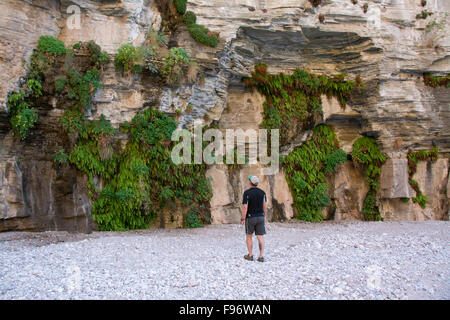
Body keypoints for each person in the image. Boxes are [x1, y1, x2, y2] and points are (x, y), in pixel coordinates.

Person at [240, 175, 267, 262]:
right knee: (260, 237)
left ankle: (250, 255)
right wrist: (264, 215)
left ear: (250, 182)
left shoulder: (247, 193)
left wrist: (242, 218)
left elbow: (245, 207)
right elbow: (265, 205)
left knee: (249, 236)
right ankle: (261, 256)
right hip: (260, 216)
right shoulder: (262, 193)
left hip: (250, 217)